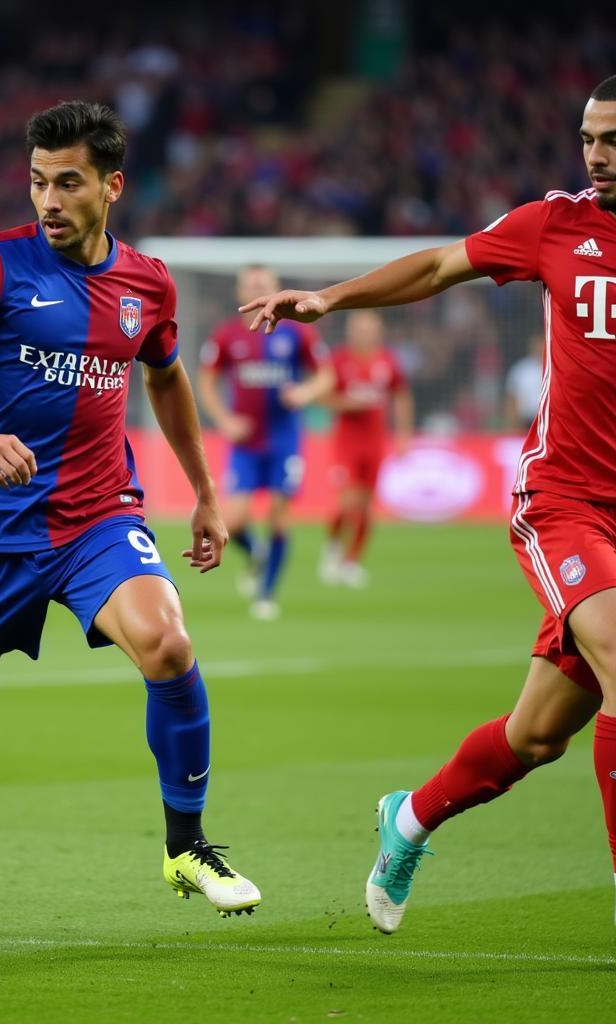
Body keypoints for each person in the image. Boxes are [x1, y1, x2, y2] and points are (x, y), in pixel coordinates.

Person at [0, 100, 260, 927]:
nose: (48, 200)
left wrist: (207, 495)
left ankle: (187, 845)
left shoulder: (147, 283)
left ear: (111, 186)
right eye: (38, 182)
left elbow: (167, 377)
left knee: (169, 643)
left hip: (97, 519)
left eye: (67, 183)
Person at [240, 75, 616, 934]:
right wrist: (332, 299)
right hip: (566, 499)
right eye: (590, 137)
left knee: (536, 738)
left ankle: (408, 819)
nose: (596, 154)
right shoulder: (556, 224)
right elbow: (445, 264)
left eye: (613, 140)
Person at [197, 265, 331, 620]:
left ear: (276, 291)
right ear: (241, 294)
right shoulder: (226, 337)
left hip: (284, 440)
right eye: (251, 285)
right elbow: (206, 381)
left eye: (264, 284)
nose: (257, 290)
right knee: (234, 522)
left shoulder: (297, 335)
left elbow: (326, 376)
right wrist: (224, 419)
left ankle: (266, 594)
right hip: (245, 444)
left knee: (278, 517)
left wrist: (305, 391)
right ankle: (256, 553)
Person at [292, 309, 412, 589]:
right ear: (351, 331)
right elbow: (321, 398)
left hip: (375, 442)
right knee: (347, 504)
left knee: (366, 508)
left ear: (378, 331)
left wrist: (403, 433)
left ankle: (351, 562)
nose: (365, 332)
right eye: (360, 327)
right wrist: (349, 403)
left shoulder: (387, 361)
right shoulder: (338, 360)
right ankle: (332, 550)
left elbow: (402, 395)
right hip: (346, 442)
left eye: (370, 327)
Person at [504, 333, 545, 434]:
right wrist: (513, 424)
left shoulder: (554, 368)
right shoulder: (520, 369)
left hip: (547, 420)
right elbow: (511, 398)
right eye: (537, 344)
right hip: (525, 422)